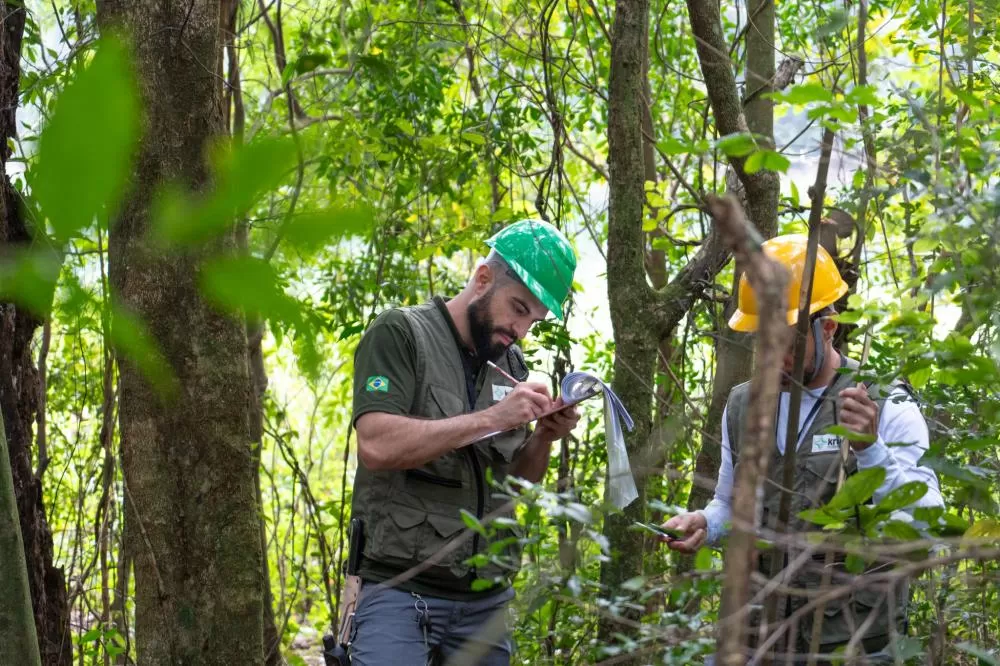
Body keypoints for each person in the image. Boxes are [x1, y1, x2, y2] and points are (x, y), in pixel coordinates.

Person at [662, 235, 943, 663]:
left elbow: (927, 527)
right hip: (758, 639)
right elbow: (732, 505)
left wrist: (871, 450)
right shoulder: (743, 405)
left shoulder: (885, 402)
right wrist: (706, 523)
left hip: (851, 647)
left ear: (827, 328)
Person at [346, 219, 580, 665]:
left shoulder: (509, 363)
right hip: (399, 589)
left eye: (533, 320)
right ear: (483, 278)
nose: (521, 329)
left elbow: (514, 487)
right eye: (518, 308)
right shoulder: (401, 333)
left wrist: (545, 436)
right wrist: (491, 418)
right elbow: (376, 445)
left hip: (484, 603)